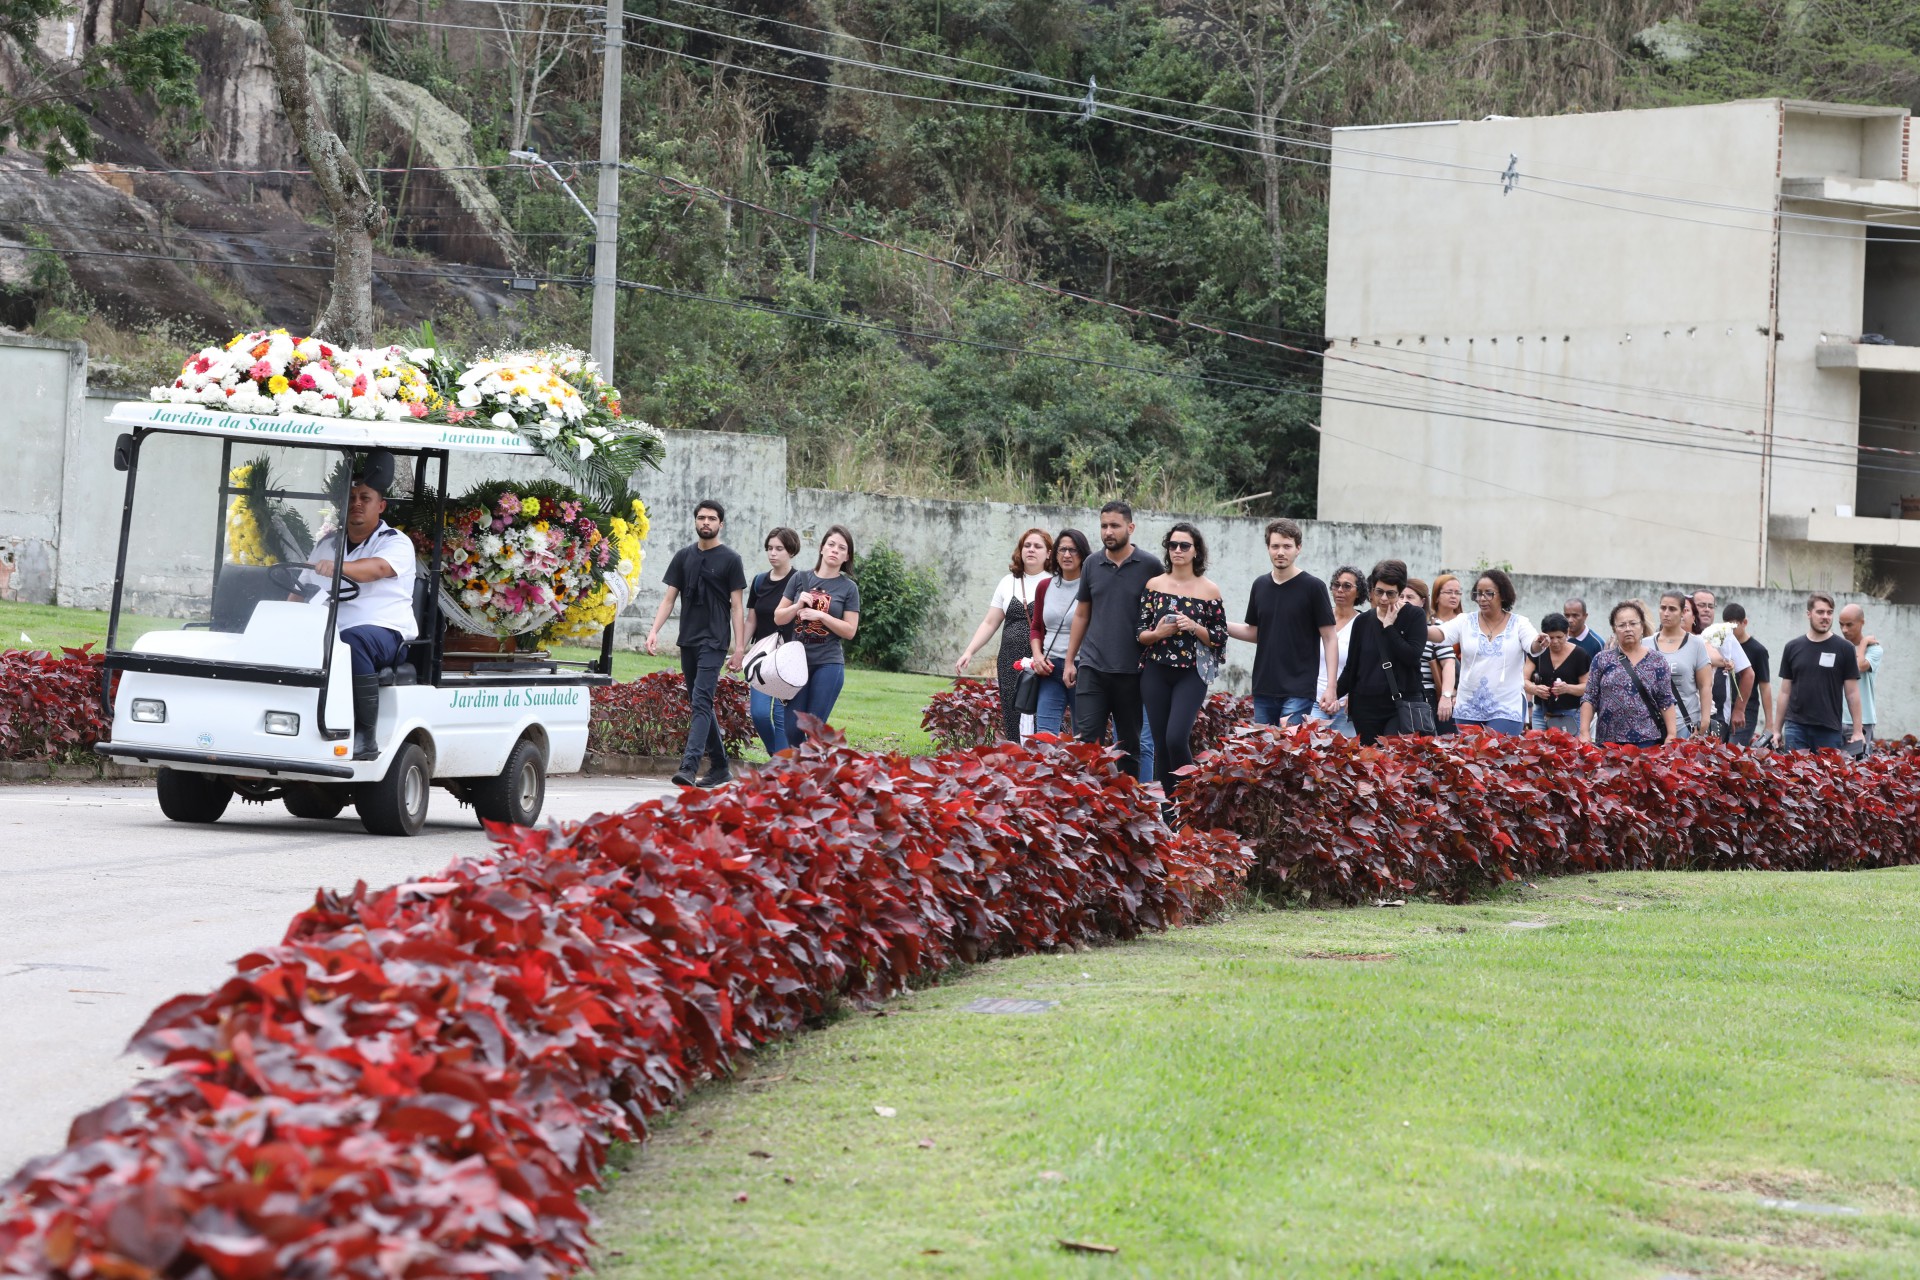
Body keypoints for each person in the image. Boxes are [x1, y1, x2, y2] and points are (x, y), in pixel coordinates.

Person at [297, 449, 416, 761]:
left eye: (365, 497)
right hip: (328, 628)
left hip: (385, 634)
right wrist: (286, 618)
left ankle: (365, 734)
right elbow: (300, 586)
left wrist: (338, 568)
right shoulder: (327, 543)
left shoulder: (395, 542)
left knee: (350, 642)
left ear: (381, 506)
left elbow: (375, 569)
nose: (357, 504)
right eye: (351, 498)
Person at [647, 500, 748, 788]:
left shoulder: (731, 559)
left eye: (712, 518)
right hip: (688, 638)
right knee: (699, 702)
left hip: (715, 640)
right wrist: (654, 630)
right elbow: (669, 599)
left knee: (701, 701)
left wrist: (739, 648)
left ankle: (689, 768)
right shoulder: (683, 556)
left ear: (721, 524)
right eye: (701, 518)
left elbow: (738, 607)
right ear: (695, 522)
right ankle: (720, 767)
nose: (706, 522)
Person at [1063, 502, 1163, 780]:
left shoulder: (1151, 566)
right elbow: (1082, 614)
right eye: (1104, 526)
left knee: (1129, 749)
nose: (1108, 531)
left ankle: (1129, 811)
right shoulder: (1092, 564)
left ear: (1130, 528)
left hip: (1132, 673)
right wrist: (1070, 660)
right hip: (1092, 668)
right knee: (1084, 746)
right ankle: (1086, 807)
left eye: (1115, 526)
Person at [1136, 523, 1228, 792]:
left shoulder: (1209, 590)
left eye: (1184, 545)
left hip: (1191, 673)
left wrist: (1194, 627)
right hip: (1156, 670)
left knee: (1176, 738)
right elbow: (1140, 633)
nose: (1177, 550)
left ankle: (1191, 800)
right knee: (1160, 740)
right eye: (1172, 545)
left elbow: (1219, 636)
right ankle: (1169, 812)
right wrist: (1158, 633)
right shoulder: (1154, 585)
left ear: (1196, 551)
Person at [1226, 518, 1337, 727]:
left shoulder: (1314, 587)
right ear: (1268, 548)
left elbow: (1330, 638)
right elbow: (1255, 632)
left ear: (1298, 549)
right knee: (1263, 754)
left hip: (1299, 688)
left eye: (1287, 546)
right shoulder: (1260, 585)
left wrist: (1331, 687)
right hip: (1264, 686)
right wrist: (1217, 624)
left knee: (1288, 751)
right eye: (1275, 546)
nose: (1280, 552)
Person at [955, 528, 1052, 741]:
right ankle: (1016, 760)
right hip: (1010, 660)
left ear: (1048, 553)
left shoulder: (1054, 582)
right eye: (1027, 545)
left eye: (1037, 546)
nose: (1031, 550)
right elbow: (990, 622)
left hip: (1043, 660)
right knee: (1012, 712)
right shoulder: (1008, 582)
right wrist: (969, 651)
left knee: (1043, 713)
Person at [1429, 568, 1545, 735]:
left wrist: (1540, 642)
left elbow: (1533, 644)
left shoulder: (1519, 623)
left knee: (1498, 756)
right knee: (1469, 758)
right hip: (1469, 705)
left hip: (1506, 705)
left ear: (1503, 596)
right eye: (1478, 593)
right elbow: (1441, 634)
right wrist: (1417, 627)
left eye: (1488, 594)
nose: (1482, 599)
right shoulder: (1465, 621)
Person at [774, 524, 861, 745]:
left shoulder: (849, 588)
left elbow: (850, 631)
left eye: (841, 548)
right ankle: (807, 769)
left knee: (815, 728)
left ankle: (811, 774)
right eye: (831, 544)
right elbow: (778, 617)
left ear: (846, 557)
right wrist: (797, 607)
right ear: (822, 548)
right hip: (797, 664)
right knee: (792, 728)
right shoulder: (800, 579)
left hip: (828, 663)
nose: (835, 550)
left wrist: (820, 616)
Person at [1338, 560, 1428, 745]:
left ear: (1400, 591)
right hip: (1365, 706)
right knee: (1370, 764)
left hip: (1400, 705)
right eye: (1379, 592)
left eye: (1391, 593)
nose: (1384, 598)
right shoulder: (1362, 621)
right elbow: (1352, 667)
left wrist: (1389, 628)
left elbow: (1412, 656)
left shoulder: (1414, 616)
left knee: (1394, 760)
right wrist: (1333, 694)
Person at [1774, 592, 1865, 752]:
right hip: (1796, 728)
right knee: (1794, 775)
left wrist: (1858, 731)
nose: (1825, 617)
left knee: (1828, 777)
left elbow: (1852, 693)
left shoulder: (1845, 648)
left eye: (1829, 612)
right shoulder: (1792, 647)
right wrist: (1776, 730)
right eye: (1820, 612)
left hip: (1829, 729)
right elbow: (1784, 692)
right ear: (1809, 614)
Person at [1581, 600, 1678, 746]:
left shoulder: (1657, 660)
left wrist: (1671, 734)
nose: (1628, 629)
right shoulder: (1601, 659)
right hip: (1609, 741)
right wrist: (1584, 732)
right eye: (1622, 625)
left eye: (1633, 624)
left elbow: (1665, 699)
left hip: (1647, 740)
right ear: (1614, 629)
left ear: (1642, 626)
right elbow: (1590, 697)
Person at [1027, 528, 1089, 739]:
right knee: (1044, 737)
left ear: (1083, 554)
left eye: (1073, 550)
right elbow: (1036, 627)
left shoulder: (1091, 586)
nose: (1067, 555)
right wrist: (1037, 656)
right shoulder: (1045, 586)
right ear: (1054, 554)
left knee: (1084, 739)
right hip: (1050, 669)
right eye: (1062, 549)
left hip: (1082, 669)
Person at [745, 526, 800, 756]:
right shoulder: (759, 582)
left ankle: (780, 768)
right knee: (758, 713)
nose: (773, 553)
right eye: (769, 548)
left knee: (781, 716)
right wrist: (739, 650)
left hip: (788, 658)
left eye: (779, 548)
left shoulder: (800, 581)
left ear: (791, 551)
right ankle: (776, 756)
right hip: (762, 657)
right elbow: (751, 619)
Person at [1650, 591, 1715, 740]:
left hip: (1686, 723)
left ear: (1683, 612)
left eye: (1672, 609)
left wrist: (1705, 720)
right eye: (1663, 608)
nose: (1666, 613)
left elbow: (1705, 685)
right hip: (1651, 725)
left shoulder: (1696, 644)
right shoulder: (1646, 644)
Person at [1310, 566, 1364, 737]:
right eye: (1336, 585)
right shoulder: (1319, 619)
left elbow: (1364, 666)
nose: (1340, 590)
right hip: (1314, 700)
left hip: (1346, 705)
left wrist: (1350, 697)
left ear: (1359, 592)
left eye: (1347, 586)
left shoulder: (1363, 623)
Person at [1526, 613, 1590, 735]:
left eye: (1559, 637)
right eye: (1551, 637)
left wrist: (1567, 688)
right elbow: (1522, 679)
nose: (1555, 642)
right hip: (1541, 712)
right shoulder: (1537, 651)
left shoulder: (1579, 655)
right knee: (1537, 749)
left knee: (1566, 751)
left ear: (1567, 633)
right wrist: (1534, 689)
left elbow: (1587, 687)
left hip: (1569, 714)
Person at [1402, 578, 1454, 718]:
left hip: (1426, 695)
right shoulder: (1389, 625)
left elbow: (1448, 662)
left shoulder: (1434, 626)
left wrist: (1446, 696)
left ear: (1423, 601)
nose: (1405, 601)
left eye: (1410, 597)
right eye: (1401, 596)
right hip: (1395, 695)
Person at [1724, 603, 1769, 747]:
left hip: (1746, 711)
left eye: (1734, 625)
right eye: (1727, 625)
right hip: (1723, 708)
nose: (1731, 630)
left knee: (1733, 752)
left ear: (1745, 623)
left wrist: (1770, 724)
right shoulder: (1723, 646)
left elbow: (1765, 687)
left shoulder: (1758, 650)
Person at [1838, 603, 1883, 742]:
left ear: (1861, 622)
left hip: (1863, 720)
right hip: (1835, 719)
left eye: (1849, 625)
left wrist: (1863, 643)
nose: (1844, 630)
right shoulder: (1837, 648)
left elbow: (1857, 667)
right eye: (1841, 625)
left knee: (1860, 763)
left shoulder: (1874, 650)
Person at [1429, 573, 1466, 733]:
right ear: (1436, 596)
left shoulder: (1465, 622)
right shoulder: (1427, 621)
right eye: (1449, 592)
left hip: (1459, 691)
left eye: (1457, 593)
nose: (1454, 596)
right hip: (1430, 688)